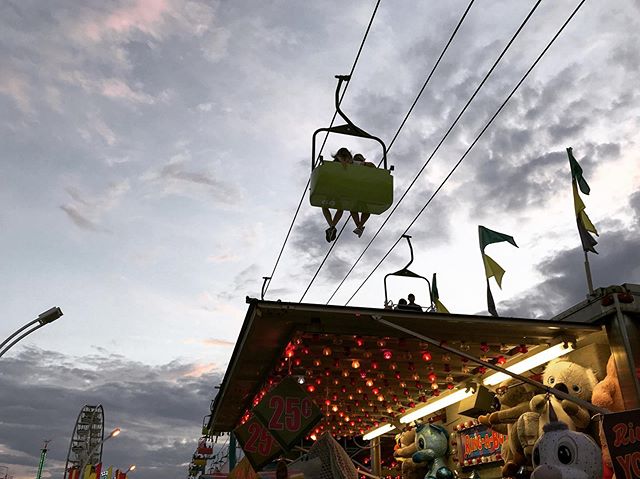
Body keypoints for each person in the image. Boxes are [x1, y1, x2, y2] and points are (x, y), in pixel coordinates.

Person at [322, 147, 352, 242]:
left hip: (336, 187)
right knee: (338, 208)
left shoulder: (336, 164)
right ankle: (332, 226)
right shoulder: (349, 164)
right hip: (341, 188)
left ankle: (332, 226)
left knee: (326, 206)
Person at [350, 153, 373, 237]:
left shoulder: (365, 165)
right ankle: (359, 227)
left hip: (360, 189)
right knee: (362, 211)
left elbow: (372, 166)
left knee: (357, 210)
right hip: (359, 189)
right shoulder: (353, 166)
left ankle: (359, 227)